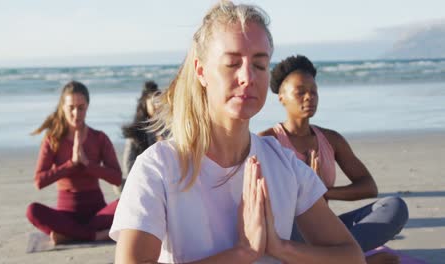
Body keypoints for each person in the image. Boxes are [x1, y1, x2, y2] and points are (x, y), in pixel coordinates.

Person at [110, 2, 364, 263]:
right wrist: (243, 253)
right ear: (201, 71)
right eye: (232, 63)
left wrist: (280, 247)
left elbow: (352, 256)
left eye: (260, 65)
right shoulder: (158, 167)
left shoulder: (284, 165)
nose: (248, 77)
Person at [259, 55, 408, 264]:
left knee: (395, 207)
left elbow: (368, 187)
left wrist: (323, 190)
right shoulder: (267, 141)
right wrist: (303, 187)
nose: (309, 97)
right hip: (287, 233)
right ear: (281, 97)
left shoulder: (331, 139)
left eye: (313, 92)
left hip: (324, 229)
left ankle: (328, 258)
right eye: (300, 92)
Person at [26, 81, 122, 245]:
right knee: (32, 210)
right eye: (71, 107)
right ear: (63, 107)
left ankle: (71, 235)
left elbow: (117, 178)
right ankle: (96, 235)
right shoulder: (53, 140)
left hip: (98, 214)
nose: (76, 113)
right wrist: (71, 164)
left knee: (127, 202)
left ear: (87, 107)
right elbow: (39, 181)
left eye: (81, 107)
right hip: (66, 215)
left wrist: (87, 164)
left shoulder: (99, 138)